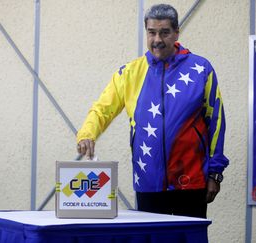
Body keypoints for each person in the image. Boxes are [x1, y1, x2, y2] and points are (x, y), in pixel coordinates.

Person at [77, 4, 229, 219]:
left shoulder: (201, 69)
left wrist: (215, 172)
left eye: (165, 32)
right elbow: (103, 108)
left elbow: (216, 122)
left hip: (192, 181)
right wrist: (87, 134)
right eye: (152, 32)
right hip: (148, 182)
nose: (157, 39)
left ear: (176, 33)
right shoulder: (129, 73)